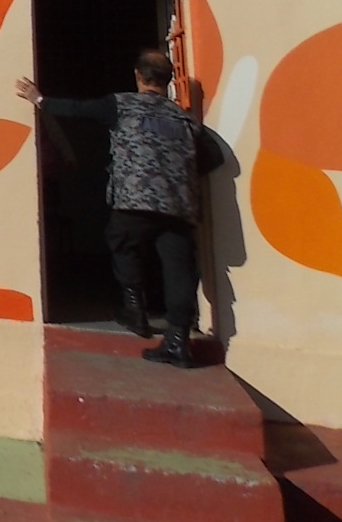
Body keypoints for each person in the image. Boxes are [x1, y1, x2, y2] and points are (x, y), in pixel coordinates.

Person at [15, 50, 202, 368]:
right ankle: (178, 343)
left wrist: (39, 99)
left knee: (122, 243)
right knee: (179, 270)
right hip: (179, 205)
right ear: (169, 80)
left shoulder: (122, 104)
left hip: (135, 199)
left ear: (138, 76)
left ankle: (135, 310)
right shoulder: (184, 118)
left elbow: (76, 110)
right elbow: (209, 155)